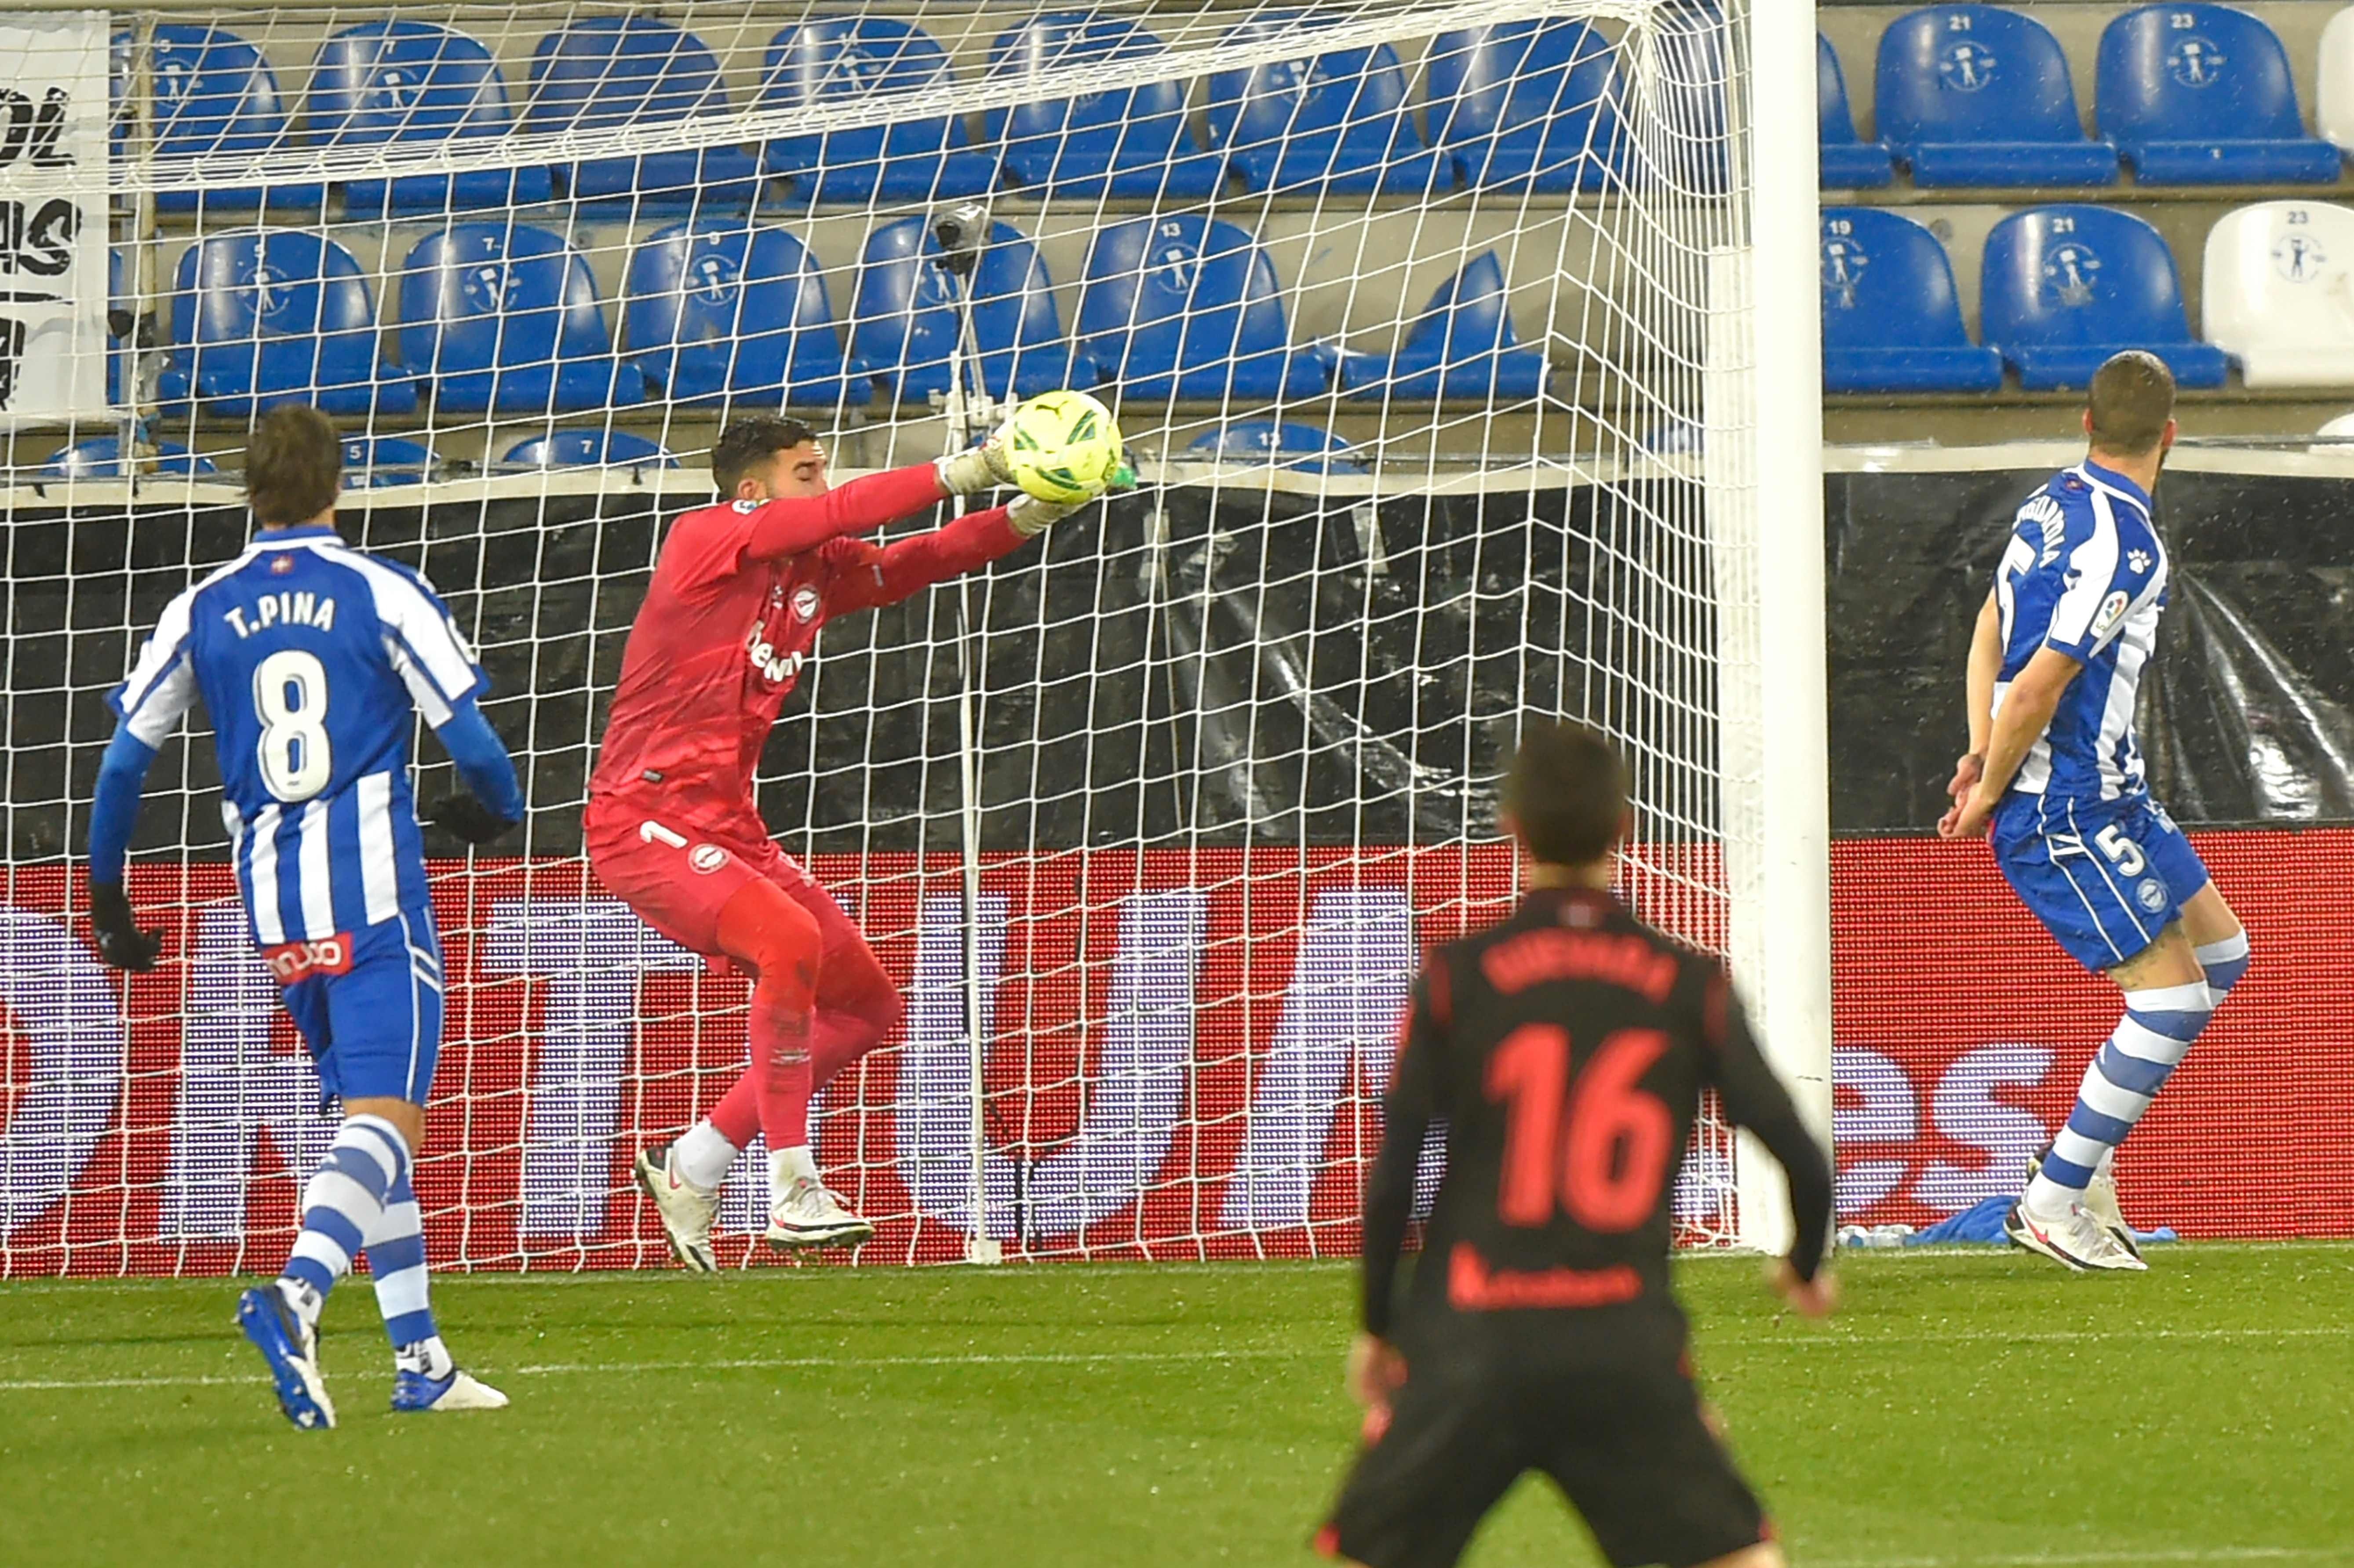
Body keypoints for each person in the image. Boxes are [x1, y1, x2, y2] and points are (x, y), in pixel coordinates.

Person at [85, 405, 525, 1428]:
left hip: (277, 912)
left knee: (371, 1125)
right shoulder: (380, 591)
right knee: (386, 1117)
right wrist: (494, 814)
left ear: (249, 487)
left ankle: (422, 1358)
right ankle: (298, 1294)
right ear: (338, 482)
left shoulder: (202, 605)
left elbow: (122, 761)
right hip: (374, 899)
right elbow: (477, 744)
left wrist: (109, 895)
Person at [593, 416, 1116, 1266]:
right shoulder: (705, 538)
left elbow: (914, 563)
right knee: (788, 940)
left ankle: (693, 1163)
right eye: (806, 472)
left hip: (729, 823)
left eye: (823, 470)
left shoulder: (812, 567)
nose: (823, 485)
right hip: (637, 819)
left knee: (867, 1007)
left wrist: (1031, 512)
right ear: (753, 490)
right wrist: (975, 465)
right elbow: (847, 513)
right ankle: (793, 1185)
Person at [1319, 720, 1835, 1568]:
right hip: (1619, 1343)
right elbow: (1800, 1154)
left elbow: (1394, 1177)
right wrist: (1805, 1266)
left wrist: (1379, 1327)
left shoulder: (1457, 976)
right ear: (1623, 830)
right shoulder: (1687, 983)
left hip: (1470, 1337)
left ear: (1509, 826)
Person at [1937, 351, 2251, 1272]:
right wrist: (1992, 784)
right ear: (2170, 434)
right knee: (2173, 998)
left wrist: (1973, 746)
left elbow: (1988, 629)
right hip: (2062, 799)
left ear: (2084, 423)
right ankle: (2050, 1199)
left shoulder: (2048, 504)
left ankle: (2086, 1162)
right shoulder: (2128, 542)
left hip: (2114, 787)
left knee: (2224, 955)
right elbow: (2037, 683)